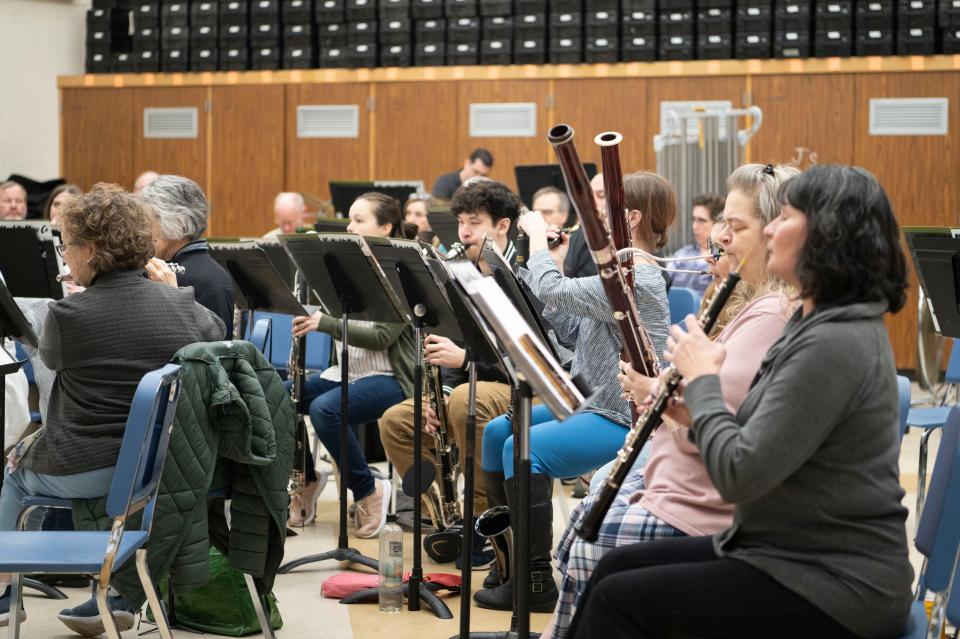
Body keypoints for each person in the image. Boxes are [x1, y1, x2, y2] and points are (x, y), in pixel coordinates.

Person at [568, 164, 914, 639]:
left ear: (826, 237)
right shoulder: (814, 324)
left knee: (616, 601)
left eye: (785, 217)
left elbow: (739, 475)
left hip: (835, 583)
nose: (769, 229)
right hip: (783, 550)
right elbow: (753, 434)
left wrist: (704, 379)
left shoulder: (833, 343)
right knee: (612, 571)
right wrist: (682, 410)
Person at [546, 164, 798, 639]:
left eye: (734, 227)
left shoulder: (770, 315)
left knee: (591, 546)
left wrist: (658, 396)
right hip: (679, 473)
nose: (718, 238)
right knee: (589, 521)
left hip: (702, 500)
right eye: (721, 223)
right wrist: (667, 396)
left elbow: (724, 431)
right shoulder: (747, 301)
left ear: (777, 232)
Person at [0, 183, 224, 628]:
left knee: (14, 477)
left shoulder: (70, 316)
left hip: (94, 467)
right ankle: (118, 593)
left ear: (90, 251)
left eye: (67, 247)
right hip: (159, 466)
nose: (65, 256)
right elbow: (215, 334)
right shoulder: (180, 302)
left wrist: (73, 301)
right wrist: (175, 291)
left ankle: (4, 593)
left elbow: (50, 359)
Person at [474, 171, 675, 613]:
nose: (593, 214)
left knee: (523, 448)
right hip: (592, 400)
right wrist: (549, 263)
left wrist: (540, 248)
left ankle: (536, 581)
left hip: (624, 414)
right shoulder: (615, 273)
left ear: (634, 217)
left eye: (605, 206)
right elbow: (566, 328)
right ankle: (507, 562)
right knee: (494, 433)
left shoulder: (637, 278)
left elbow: (552, 290)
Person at [378, 180, 521, 566]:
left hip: (521, 388)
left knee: (464, 401)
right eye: (460, 222)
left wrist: (466, 363)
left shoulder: (524, 274)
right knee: (396, 421)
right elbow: (453, 348)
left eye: (474, 222)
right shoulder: (459, 275)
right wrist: (433, 396)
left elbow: (529, 360)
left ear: (503, 225)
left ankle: (480, 522)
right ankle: (443, 513)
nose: (463, 232)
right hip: (469, 384)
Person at [288, 192, 416, 538]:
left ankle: (367, 490)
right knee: (277, 395)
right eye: (350, 219)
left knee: (325, 410)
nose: (349, 226)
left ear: (386, 227)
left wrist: (322, 323)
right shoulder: (346, 268)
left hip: (392, 376)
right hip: (347, 371)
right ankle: (308, 477)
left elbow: (380, 338)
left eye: (360, 220)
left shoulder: (399, 271)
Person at [139, 175, 233, 338]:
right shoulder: (210, 273)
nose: (144, 232)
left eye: (149, 222)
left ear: (178, 223)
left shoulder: (204, 280)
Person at [668, 192, 725, 294]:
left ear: (717, 223)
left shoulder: (722, 260)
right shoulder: (683, 254)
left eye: (701, 220)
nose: (694, 226)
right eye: (693, 219)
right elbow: (663, 281)